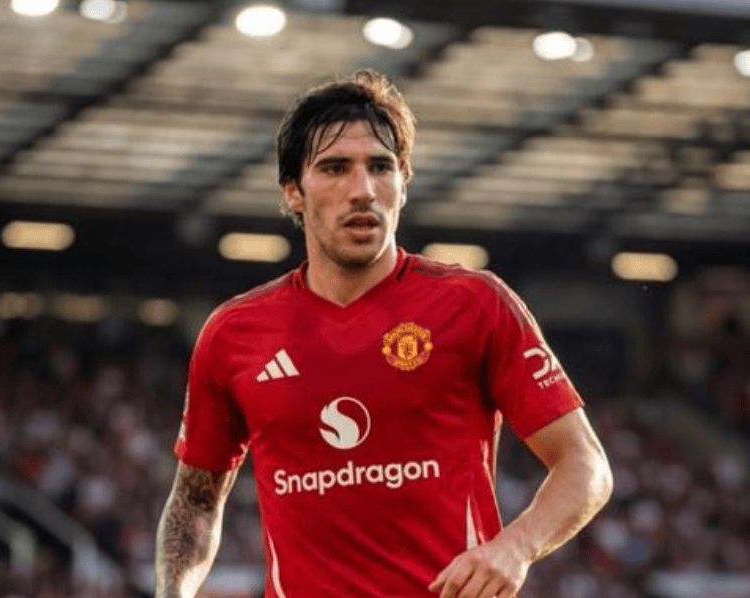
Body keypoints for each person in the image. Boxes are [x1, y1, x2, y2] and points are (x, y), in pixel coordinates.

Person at [155, 69, 613, 598]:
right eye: (335, 168)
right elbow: (194, 502)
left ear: (403, 184)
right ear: (293, 192)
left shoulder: (475, 303)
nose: (363, 190)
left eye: (380, 167)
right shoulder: (234, 332)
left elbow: (585, 465)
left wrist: (516, 546)